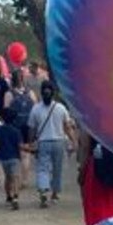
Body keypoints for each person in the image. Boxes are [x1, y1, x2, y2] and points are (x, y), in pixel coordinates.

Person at [27, 80, 77, 208]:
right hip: (59, 142)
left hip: (43, 142)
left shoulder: (36, 108)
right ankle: (55, 194)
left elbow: (32, 128)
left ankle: (43, 190)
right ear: (54, 93)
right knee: (57, 169)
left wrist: (31, 141)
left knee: (43, 168)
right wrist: (73, 141)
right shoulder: (60, 108)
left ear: (41, 93)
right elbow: (67, 127)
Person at [4, 68, 35, 187]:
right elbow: (35, 107)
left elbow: (6, 110)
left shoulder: (9, 93)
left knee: (15, 154)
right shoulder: (30, 92)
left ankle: (14, 179)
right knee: (26, 154)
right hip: (27, 126)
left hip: (14, 127)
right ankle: (25, 180)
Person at [0, 108, 24, 209]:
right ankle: (15, 196)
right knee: (16, 177)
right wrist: (22, 156)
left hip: (3, 158)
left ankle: (8, 196)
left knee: (8, 178)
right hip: (14, 157)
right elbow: (20, 146)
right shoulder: (16, 131)